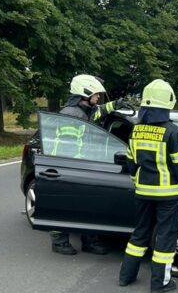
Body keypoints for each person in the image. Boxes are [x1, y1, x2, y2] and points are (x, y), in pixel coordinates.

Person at [118, 79, 178, 293]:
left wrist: (137, 183)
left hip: (143, 192)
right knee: (165, 237)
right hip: (168, 195)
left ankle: (126, 276)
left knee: (139, 234)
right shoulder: (173, 132)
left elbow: (131, 162)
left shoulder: (136, 131)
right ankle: (159, 283)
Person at [50, 74, 132, 255]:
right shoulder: (72, 115)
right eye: (96, 95)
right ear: (85, 93)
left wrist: (116, 105)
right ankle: (59, 241)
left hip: (84, 168)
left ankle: (89, 241)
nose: (98, 98)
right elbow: (67, 148)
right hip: (71, 168)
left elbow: (99, 111)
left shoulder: (84, 111)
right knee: (65, 207)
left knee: (87, 205)